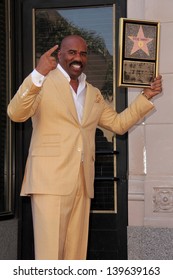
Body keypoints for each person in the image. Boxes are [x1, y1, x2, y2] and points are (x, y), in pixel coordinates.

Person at [7, 35, 162, 260]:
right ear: (60, 55)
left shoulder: (92, 93)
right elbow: (15, 113)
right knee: (50, 256)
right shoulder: (42, 82)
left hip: (82, 182)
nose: (77, 58)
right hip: (49, 182)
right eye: (71, 52)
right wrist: (38, 73)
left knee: (75, 256)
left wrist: (146, 95)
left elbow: (118, 124)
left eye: (82, 53)